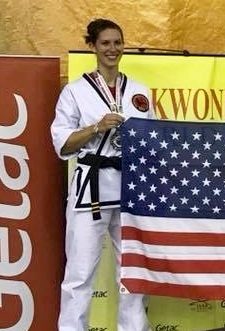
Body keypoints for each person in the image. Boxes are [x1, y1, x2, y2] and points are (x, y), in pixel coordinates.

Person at [50, 18, 154, 331]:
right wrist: (97, 127)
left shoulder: (139, 91)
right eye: (105, 43)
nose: (113, 49)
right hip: (92, 186)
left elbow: (152, 139)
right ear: (92, 46)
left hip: (130, 185)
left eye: (117, 42)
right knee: (80, 271)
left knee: (133, 269)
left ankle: (133, 328)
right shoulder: (75, 91)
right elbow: (63, 144)